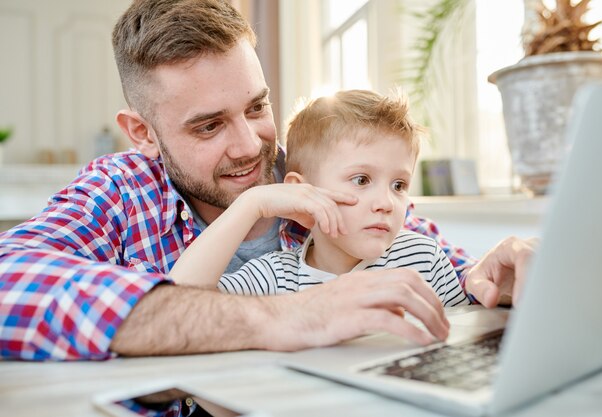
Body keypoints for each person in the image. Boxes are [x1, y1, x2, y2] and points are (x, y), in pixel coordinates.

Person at [0, 0, 535, 361]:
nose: (250, 145)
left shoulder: (325, 172)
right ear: (141, 131)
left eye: (257, 106)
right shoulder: (119, 191)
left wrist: (492, 283)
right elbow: (10, 281)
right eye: (208, 125)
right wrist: (277, 318)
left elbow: (428, 260)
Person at [171, 89, 470, 320]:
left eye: (399, 185)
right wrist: (251, 203)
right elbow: (177, 308)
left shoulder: (423, 259)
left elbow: (461, 340)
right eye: (362, 180)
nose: (386, 203)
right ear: (302, 193)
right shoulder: (274, 279)